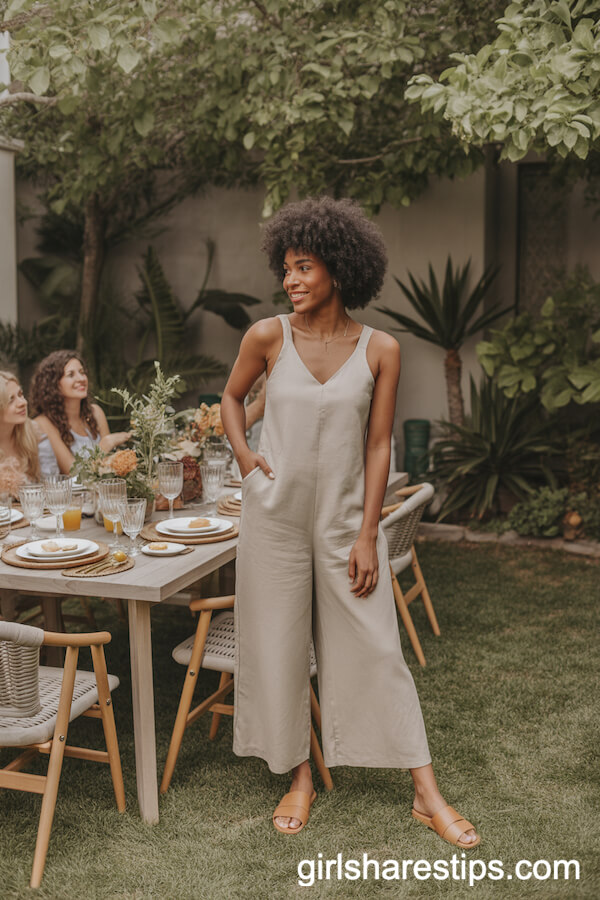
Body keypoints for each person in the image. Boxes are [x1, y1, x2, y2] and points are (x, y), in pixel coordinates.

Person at [221, 197, 480, 847]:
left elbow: (377, 446)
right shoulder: (267, 336)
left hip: (343, 526)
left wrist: (368, 533)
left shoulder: (381, 349)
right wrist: (248, 459)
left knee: (380, 648)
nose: (292, 281)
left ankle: (426, 791)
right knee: (281, 648)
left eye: (304, 267)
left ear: (339, 268)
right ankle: (301, 776)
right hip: (273, 520)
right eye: (285, 269)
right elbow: (230, 400)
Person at [29, 351, 131, 476]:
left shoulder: (96, 413)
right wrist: (104, 446)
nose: (81, 379)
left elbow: (108, 466)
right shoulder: (43, 423)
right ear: (54, 384)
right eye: (71, 375)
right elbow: (73, 472)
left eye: (82, 372)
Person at [0, 370, 41, 495]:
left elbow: (49, 481)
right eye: (11, 399)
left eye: (20, 394)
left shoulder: (33, 432)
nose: (23, 403)